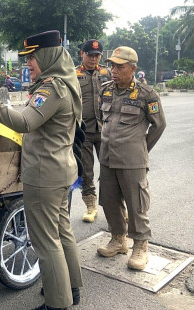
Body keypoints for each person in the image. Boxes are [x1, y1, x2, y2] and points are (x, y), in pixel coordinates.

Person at [0, 30, 83, 310]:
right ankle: (71, 287)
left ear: (47, 55)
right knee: (61, 233)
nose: (29, 63)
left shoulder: (51, 89)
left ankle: (57, 306)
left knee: (44, 240)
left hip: (44, 174)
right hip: (60, 170)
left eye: (33, 57)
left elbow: (24, 122)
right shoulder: (65, 84)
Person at [97, 46, 166, 270]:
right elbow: (102, 119)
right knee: (109, 200)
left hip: (132, 160)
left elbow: (159, 125)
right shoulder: (106, 90)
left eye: (120, 66)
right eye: (112, 66)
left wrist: (141, 148)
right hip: (107, 158)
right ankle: (118, 239)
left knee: (136, 204)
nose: (113, 71)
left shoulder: (146, 94)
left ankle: (140, 245)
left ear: (132, 68)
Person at [75, 39, 111, 223]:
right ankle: (90, 206)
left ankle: (115, 205)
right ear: (82, 54)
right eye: (90, 55)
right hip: (85, 131)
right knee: (87, 171)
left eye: (97, 55)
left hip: (105, 129)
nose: (93, 59)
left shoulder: (107, 73)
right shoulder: (74, 74)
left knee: (110, 169)